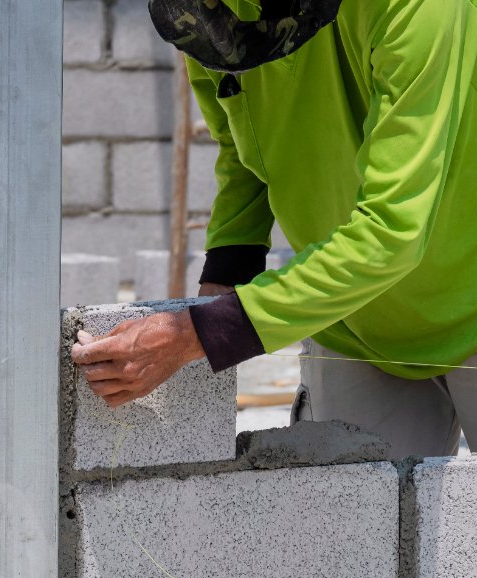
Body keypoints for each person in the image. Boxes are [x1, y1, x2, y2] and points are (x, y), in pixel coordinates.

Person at [71, 0, 477, 460]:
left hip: (464, 297)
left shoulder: (413, 7)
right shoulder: (206, 17)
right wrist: (222, 280)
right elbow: (244, 145)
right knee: (350, 505)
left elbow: (393, 232)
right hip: (350, 317)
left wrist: (199, 333)